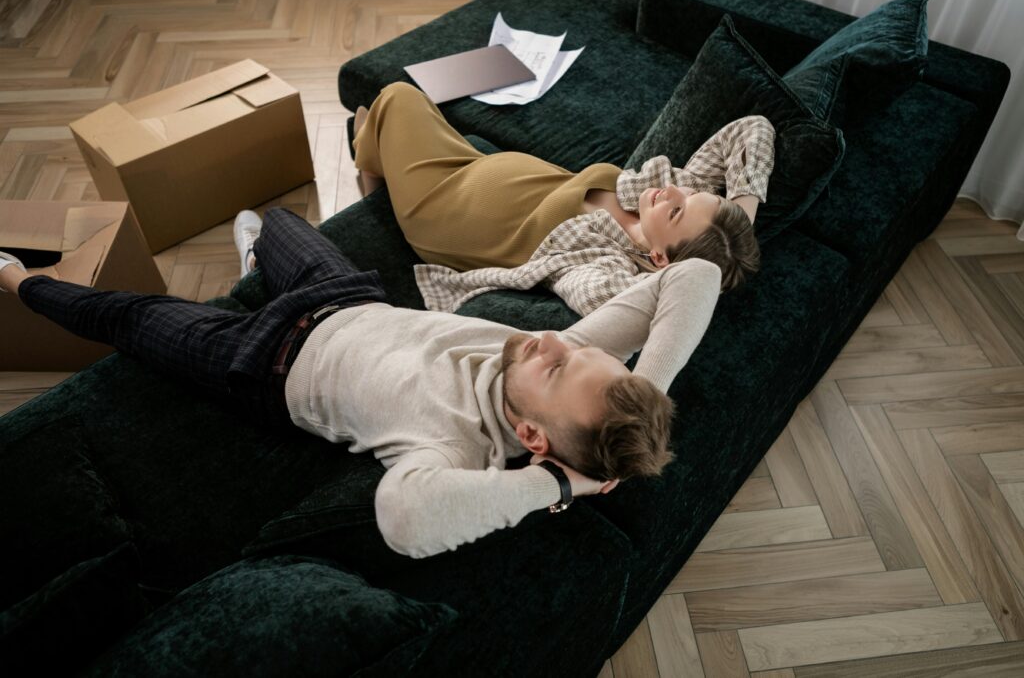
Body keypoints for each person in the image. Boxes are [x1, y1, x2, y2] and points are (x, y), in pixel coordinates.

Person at [0, 207, 720, 558]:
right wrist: (648, 385)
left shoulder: (453, 450)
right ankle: (257, 270)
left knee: (128, 315)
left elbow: (406, 523)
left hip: (261, 361)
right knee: (277, 220)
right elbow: (695, 272)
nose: (548, 337)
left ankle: (19, 281)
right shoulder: (560, 361)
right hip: (342, 294)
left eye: (555, 364)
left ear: (531, 436)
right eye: (576, 345)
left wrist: (560, 485)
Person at [352, 81, 774, 316]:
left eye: (678, 209)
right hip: (471, 166)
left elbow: (611, 303)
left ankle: (375, 183)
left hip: (444, 211)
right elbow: (753, 128)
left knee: (397, 96)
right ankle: (378, 149)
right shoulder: (661, 191)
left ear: (661, 259)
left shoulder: (605, 265)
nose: (677, 190)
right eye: (696, 192)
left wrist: (691, 282)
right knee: (408, 105)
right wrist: (738, 218)